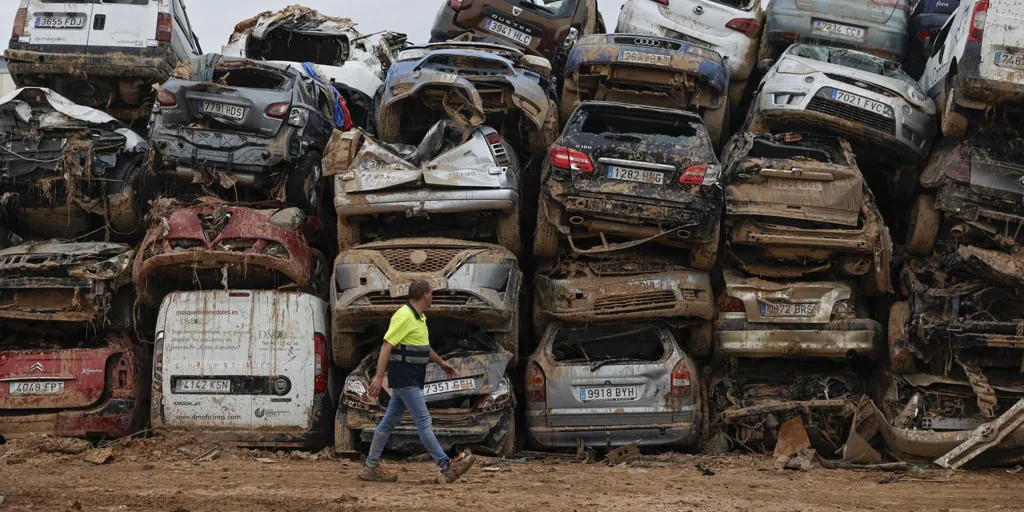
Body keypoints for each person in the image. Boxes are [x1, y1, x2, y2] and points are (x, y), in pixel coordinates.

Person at [358, 279, 476, 483]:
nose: (433, 297)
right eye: (432, 293)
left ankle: (371, 465)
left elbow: (423, 347)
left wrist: (441, 363)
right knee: (424, 422)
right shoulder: (403, 316)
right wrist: (378, 377)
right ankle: (447, 466)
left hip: (411, 377)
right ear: (425, 296)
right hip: (405, 378)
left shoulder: (419, 318)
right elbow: (387, 345)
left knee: (388, 423)